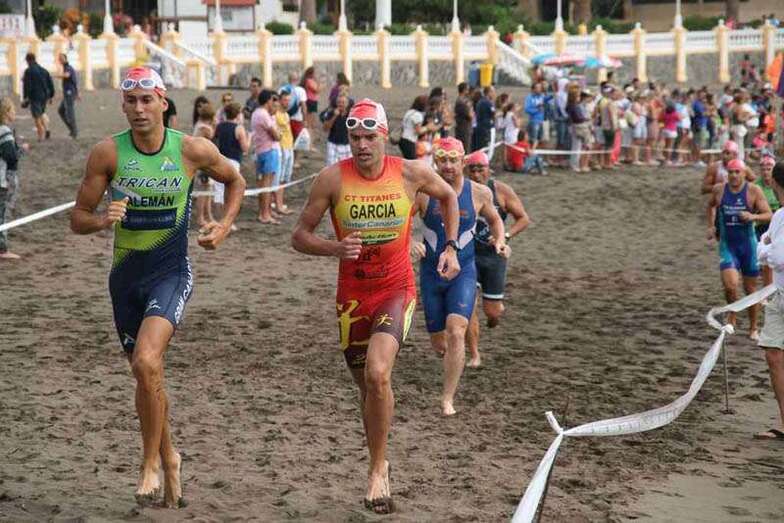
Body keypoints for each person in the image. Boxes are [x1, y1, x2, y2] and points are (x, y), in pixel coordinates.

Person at [69, 67, 245, 508]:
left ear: (163, 102)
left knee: (148, 361)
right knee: (146, 375)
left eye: (147, 99)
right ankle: (170, 458)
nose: (139, 109)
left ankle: (148, 462)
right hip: (125, 278)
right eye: (131, 101)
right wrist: (101, 219)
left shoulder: (190, 149)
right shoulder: (107, 154)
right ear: (123, 106)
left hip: (171, 272)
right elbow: (77, 217)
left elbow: (236, 179)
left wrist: (223, 225)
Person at [291, 98, 461, 514]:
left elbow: (449, 197)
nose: (362, 145)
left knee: (378, 373)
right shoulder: (332, 179)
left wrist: (451, 247)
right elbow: (299, 235)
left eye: (370, 137)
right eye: (354, 137)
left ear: (384, 136)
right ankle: (380, 450)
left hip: (396, 288)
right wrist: (335, 247)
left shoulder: (409, 172)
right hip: (352, 297)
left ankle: (376, 471)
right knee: (367, 388)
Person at [413, 137, 505, 415]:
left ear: (463, 161)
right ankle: (446, 355)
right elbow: (402, 220)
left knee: (456, 332)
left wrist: (499, 239)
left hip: (463, 270)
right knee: (440, 343)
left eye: (454, 160)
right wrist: (407, 241)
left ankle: (447, 398)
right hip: (431, 272)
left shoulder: (479, 193)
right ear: (435, 162)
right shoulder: (424, 193)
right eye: (443, 160)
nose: (449, 166)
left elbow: (495, 219)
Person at [463, 150, 529, 367]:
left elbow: (523, 218)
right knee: (468, 306)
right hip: (469, 256)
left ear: (488, 169)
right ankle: (474, 355)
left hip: (494, 258)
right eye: (471, 169)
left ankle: (494, 316)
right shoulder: (461, 190)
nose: (475, 174)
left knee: (492, 311)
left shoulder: (500, 191)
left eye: (480, 169)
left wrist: (505, 236)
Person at [707, 158, 772, 340]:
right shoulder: (720, 190)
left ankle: (753, 328)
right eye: (731, 172)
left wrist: (752, 216)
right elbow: (710, 206)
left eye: (737, 172)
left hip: (748, 246)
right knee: (730, 285)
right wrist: (711, 226)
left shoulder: (753, 190)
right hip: (728, 246)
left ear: (744, 173)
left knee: (750, 289)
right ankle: (732, 317)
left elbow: (768, 214)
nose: (734, 175)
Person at [755, 160, 784, 440]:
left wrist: (765, 249)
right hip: (779, 294)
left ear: (774, 183)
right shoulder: (778, 216)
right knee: (773, 353)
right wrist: (766, 249)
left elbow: (775, 257)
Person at [0, 98, 28, 261]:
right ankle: (2, 249)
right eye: (12, 110)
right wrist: (21, 150)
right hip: (3, 179)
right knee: (3, 214)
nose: (15, 113)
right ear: (6, 112)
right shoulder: (4, 131)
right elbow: (11, 157)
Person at [214, 102, 250, 227]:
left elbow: (215, 140)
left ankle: (219, 220)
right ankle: (227, 221)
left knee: (219, 190)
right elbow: (245, 148)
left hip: (220, 159)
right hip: (233, 161)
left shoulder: (219, 126)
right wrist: (249, 138)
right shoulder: (239, 128)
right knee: (231, 191)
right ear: (238, 114)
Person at [252, 89, 281, 224]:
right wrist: (279, 134)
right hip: (268, 150)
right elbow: (276, 135)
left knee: (264, 183)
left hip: (261, 150)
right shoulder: (263, 115)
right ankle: (264, 214)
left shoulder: (257, 113)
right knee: (266, 184)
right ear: (268, 100)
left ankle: (265, 212)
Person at [755, 155, 779, 286]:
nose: (765, 172)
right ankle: (767, 288)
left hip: (778, 225)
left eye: (769, 169)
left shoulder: (779, 184)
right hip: (761, 226)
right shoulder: (755, 186)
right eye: (763, 169)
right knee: (765, 263)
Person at [193, 101, 216, 228]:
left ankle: (208, 215)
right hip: (203, 164)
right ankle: (201, 217)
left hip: (204, 162)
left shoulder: (199, 125)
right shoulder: (205, 128)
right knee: (203, 190)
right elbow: (212, 135)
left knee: (207, 190)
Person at [22, 52, 54, 141]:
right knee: (42, 113)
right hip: (44, 96)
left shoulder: (28, 71)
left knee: (37, 116)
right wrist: (51, 95)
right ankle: (47, 129)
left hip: (35, 96)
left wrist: (25, 97)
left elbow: (27, 85)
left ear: (28, 60)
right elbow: (50, 83)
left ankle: (40, 135)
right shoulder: (44, 70)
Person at [274, 89, 295, 215]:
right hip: (281, 147)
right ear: (280, 100)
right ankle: (279, 205)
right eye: (285, 100)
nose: (287, 102)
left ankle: (278, 203)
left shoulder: (286, 115)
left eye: (288, 100)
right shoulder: (276, 114)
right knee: (279, 178)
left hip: (289, 146)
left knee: (285, 178)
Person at [321, 93, 352, 166]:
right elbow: (325, 129)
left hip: (347, 145)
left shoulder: (351, 114)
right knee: (332, 167)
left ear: (347, 104)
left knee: (347, 168)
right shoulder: (331, 113)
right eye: (339, 102)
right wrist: (334, 116)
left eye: (343, 102)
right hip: (333, 144)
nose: (341, 104)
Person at [53, 53, 78, 139]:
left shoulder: (68, 68)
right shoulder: (66, 67)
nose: (60, 60)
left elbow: (67, 75)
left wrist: (57, 76)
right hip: (68, 93)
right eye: (59, 59)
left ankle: (74, 131)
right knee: (61, 110)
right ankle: (72, 129)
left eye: (61, 58)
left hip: (69, 93)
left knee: (70, 112)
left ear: (65, 59)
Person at [399, 95, 430, 160]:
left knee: (407, 159)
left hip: (402, 139)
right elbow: (418, 131)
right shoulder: (418, 115)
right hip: (409, 140)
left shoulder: (410, 112)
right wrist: (428, 127)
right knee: (412, 161)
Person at [524, 81, 547, 149]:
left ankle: (536, 156)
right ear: (533, 89)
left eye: (540, 87)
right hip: (534, 121)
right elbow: (526, 109)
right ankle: (530, 156)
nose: (540, 89)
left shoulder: (543, 96)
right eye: (538, 88)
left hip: (542, 121)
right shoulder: (529, 97)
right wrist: (537, 110)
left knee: (540, 141)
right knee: (533, 140)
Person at [473, 86, 495, 152]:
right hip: (485, 129)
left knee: (480, 148)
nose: (494, 94)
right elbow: (493, 114)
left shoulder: (480, 101)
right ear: (489, 92)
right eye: (493, 92)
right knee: (485, 150)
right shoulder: (487, 102)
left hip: (480, 128)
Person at [454, 82, 474, 153]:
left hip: (465, 128)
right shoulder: (462, 102)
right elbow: (470, 115)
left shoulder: (464, 101)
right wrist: (471, 109)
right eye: (467, 89)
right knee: (464, 149)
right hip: (463, 129)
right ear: (464, 90)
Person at [302, 66, 321, 138]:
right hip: (310, 101)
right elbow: (317, 90)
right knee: (310, 123)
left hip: (313, 101)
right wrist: (318, 83)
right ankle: (308, 139)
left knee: (312, 123)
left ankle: (310, 139)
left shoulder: (311, 81)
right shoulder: (309, 81)